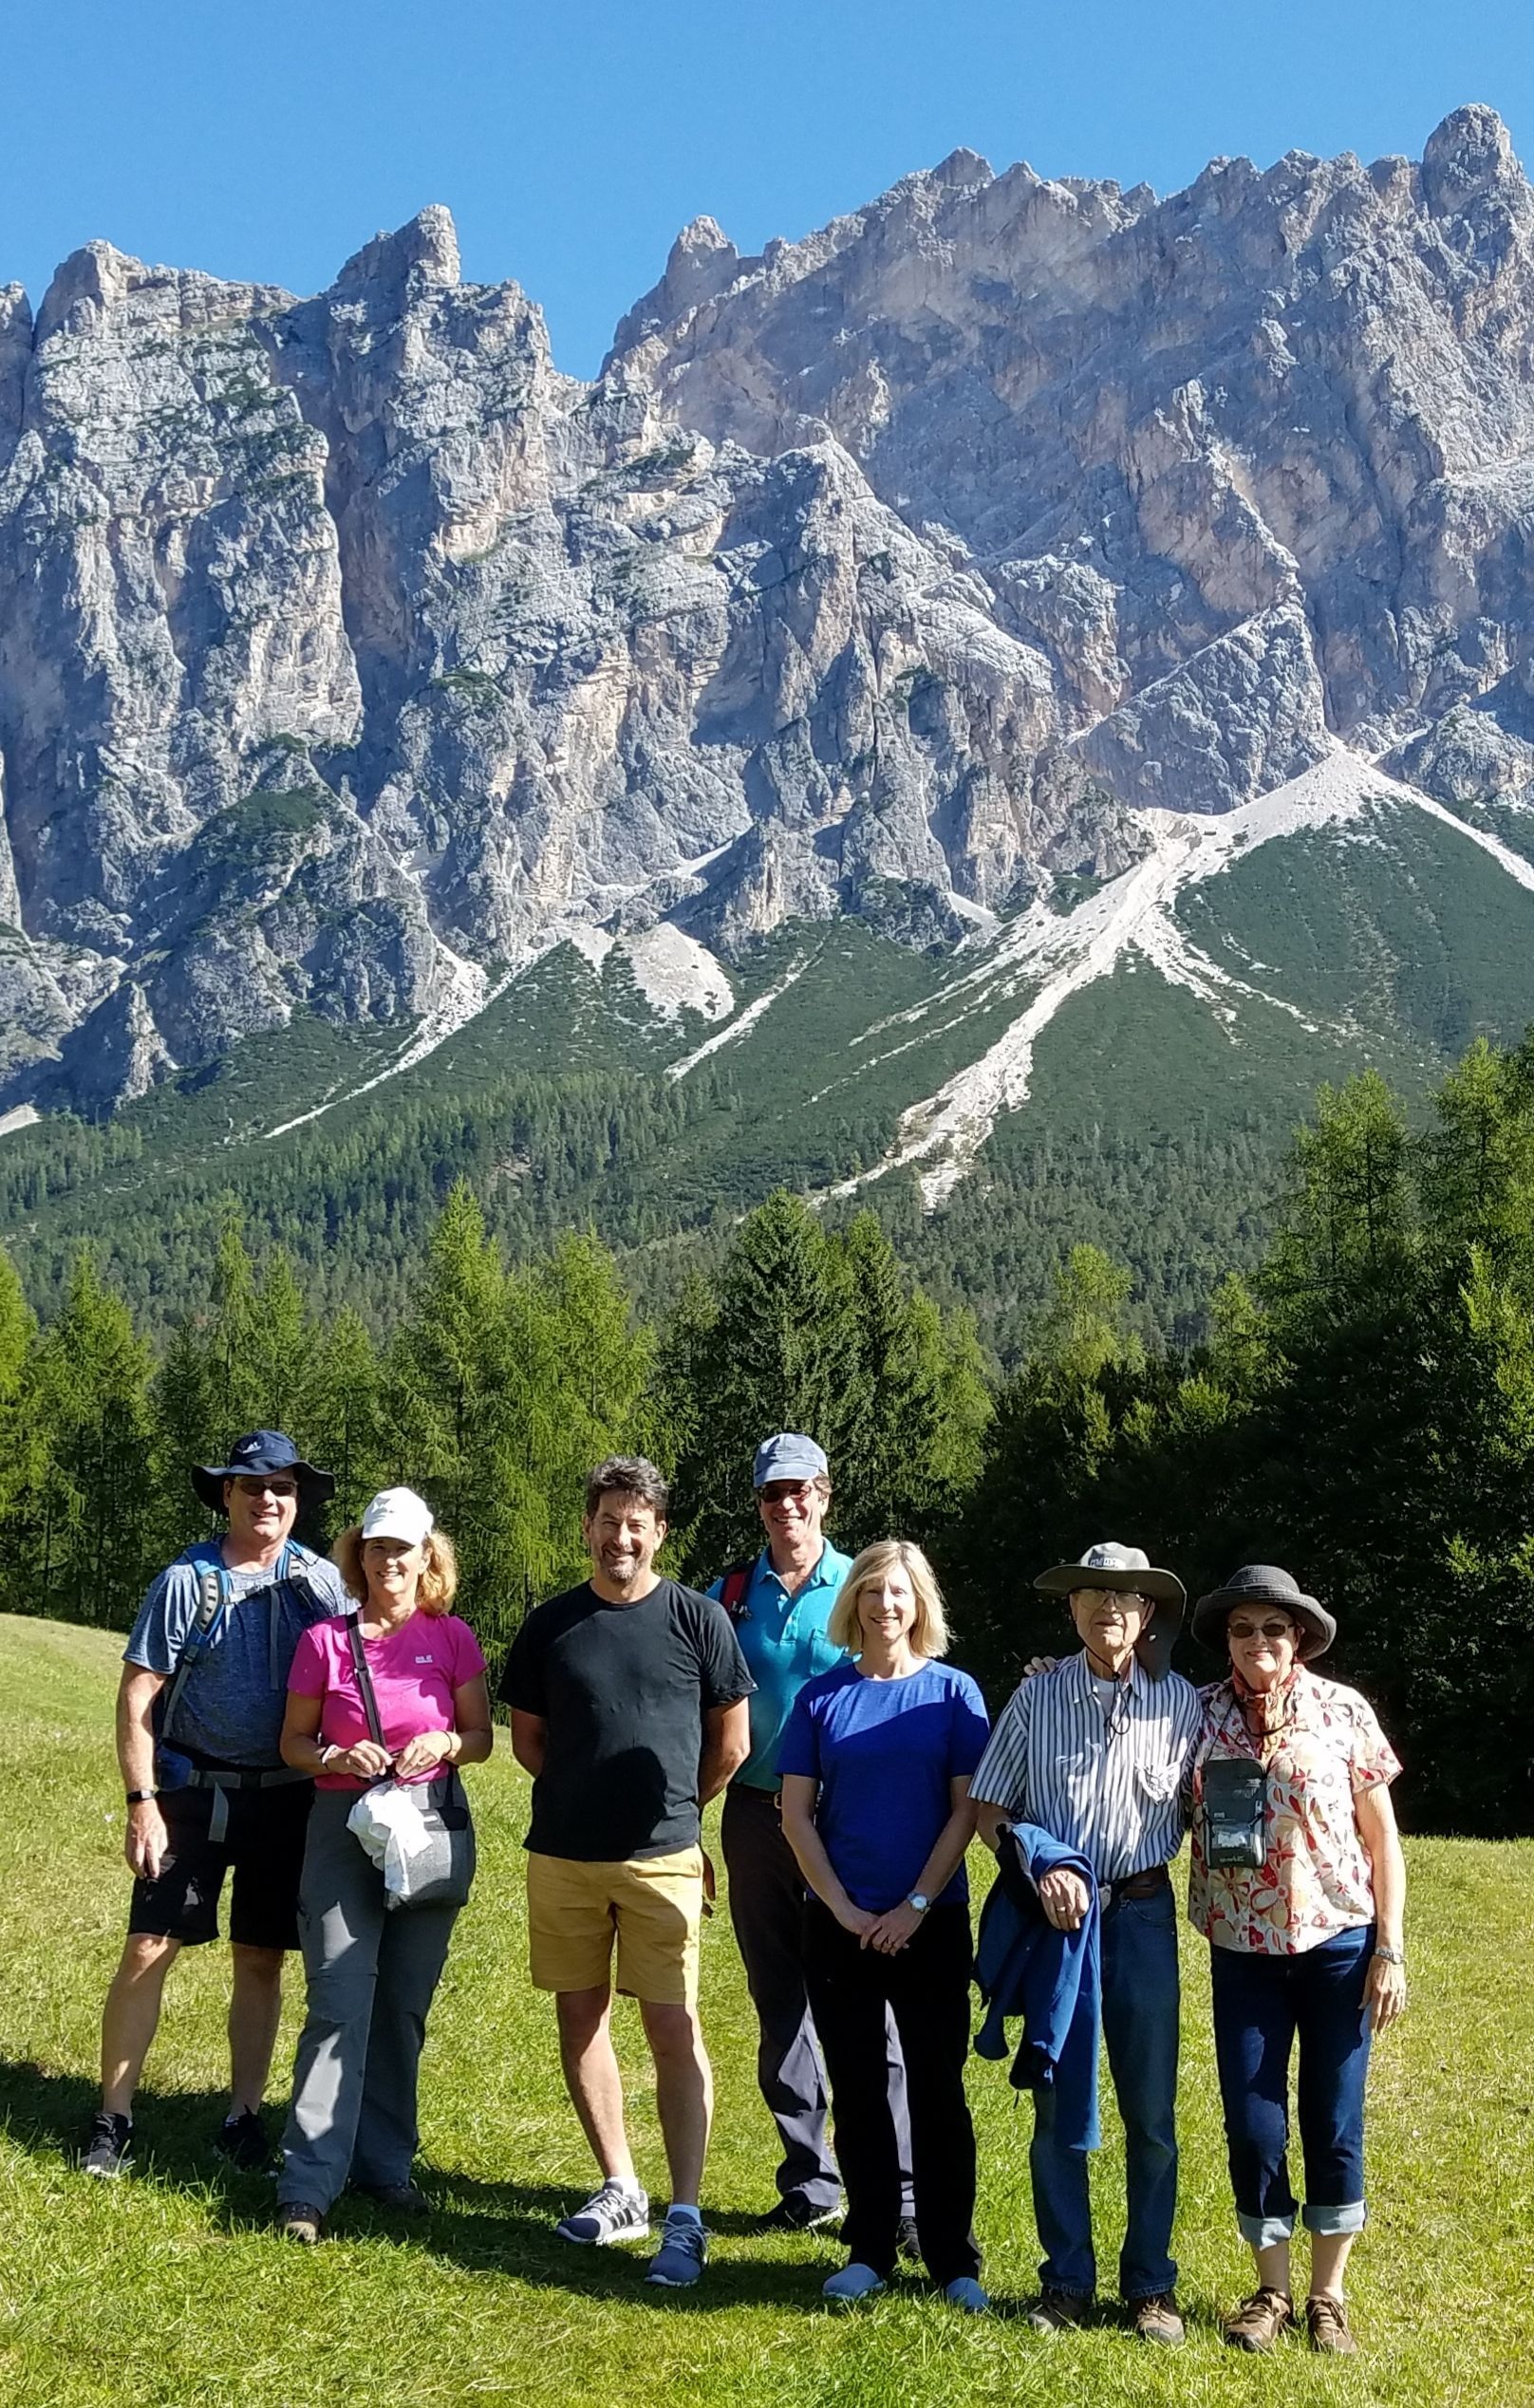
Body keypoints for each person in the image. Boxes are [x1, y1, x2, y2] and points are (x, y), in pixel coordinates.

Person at [502, 1456, 753, 2289]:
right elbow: (529, 1740)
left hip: (663, 1861)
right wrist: (584, 1797)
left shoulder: (699, 1619)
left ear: (660, 1531)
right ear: (588, 1526)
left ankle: (685, 2215)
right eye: (608, 1519)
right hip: (565, 1860)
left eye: (636, 1521)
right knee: (581, 2020)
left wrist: (677, 1811)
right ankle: (620, 2187)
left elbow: (732, 1743)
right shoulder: (550, 1625)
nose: (621, 1535)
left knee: (673, 2030)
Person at [81, 1430, 350, 2180]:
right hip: (189, 1793)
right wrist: (142, 1801)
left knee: (261, 1958)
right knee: (148, 1947)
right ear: (225, 1496)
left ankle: (242, 2117)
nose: (268, 1499)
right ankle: (113, 2117)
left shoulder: (322, 1585)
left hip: (285, 1799)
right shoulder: (186, 1580)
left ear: (297, 1501)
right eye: (252, 1486)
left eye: (283, 1488)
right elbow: (138, 1695)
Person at [969, 1541, 1202, 2345]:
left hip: (1141, 1915)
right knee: (1058, 2109)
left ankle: (1150, 2286)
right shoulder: (1035, 1698)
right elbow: (989, 1807)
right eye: (1092, 1595)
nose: (1109, 1608)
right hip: (1056, 1924)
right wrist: (1034, 1862)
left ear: (1147, 1615)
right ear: (1071, 1609)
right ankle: (1066, 2279)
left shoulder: (1184, 1704)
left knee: (1152, 2110)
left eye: (1126, 1597)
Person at [1188, 1565, 1407, 2358]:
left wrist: (1390, 1947)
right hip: (1241, 1949)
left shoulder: (1342, 1710)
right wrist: (1057, 1675)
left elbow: (1383, 1840)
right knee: (1252, 2126)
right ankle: (1271, 2289)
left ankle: (1327, 2295)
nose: (1258, 1642)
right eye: (1243, 1629)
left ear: (1300, 1637)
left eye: (1273, 1628)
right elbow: (1130, 1729)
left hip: (1338, 1945)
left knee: (1334, 2118)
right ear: (1228, 1641)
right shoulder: (1200, 1713)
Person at [272, 1487, 492, 2240]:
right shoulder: (324, 1642)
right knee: (338, 1998)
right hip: (343, 1826)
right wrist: (332, 1752)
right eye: (375, 1546)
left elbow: (481, 1734)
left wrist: (448, 1744)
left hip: (426, 1825)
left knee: (402, 2007)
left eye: (402, 1547)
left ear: (427, 1554)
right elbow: (293, 1744)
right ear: (357, 1554)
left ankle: (385, 2164)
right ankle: (308, 2182)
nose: (388, 1559)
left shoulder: (452, 1637)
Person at [710, 1431, 913, 2237]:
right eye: (771, 1493)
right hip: (757, 1815)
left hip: (847, 1820)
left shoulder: (863, 1587)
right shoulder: (729, 1594)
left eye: (800, 1490)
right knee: (777, 1998)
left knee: (872, 2001)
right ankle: (810, 2178)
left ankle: (895, 2188)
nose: (786, 1505)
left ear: (825, 1494)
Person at [779, 1540, 991, 2312]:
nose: (885, 1605)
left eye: (899, 1592)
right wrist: (841, 1907)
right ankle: (870, 2246)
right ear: (855, 1603)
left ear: (919, 1603)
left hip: (929, 1924)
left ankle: (952, 2259)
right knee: (860, 2087)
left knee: (938, 2089)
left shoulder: (955, 1694)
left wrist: (916, 1905)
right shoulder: (821, 1698)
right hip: (841, 1925)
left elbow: (967, 1809)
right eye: (872, 1591)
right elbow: (795, 1813)